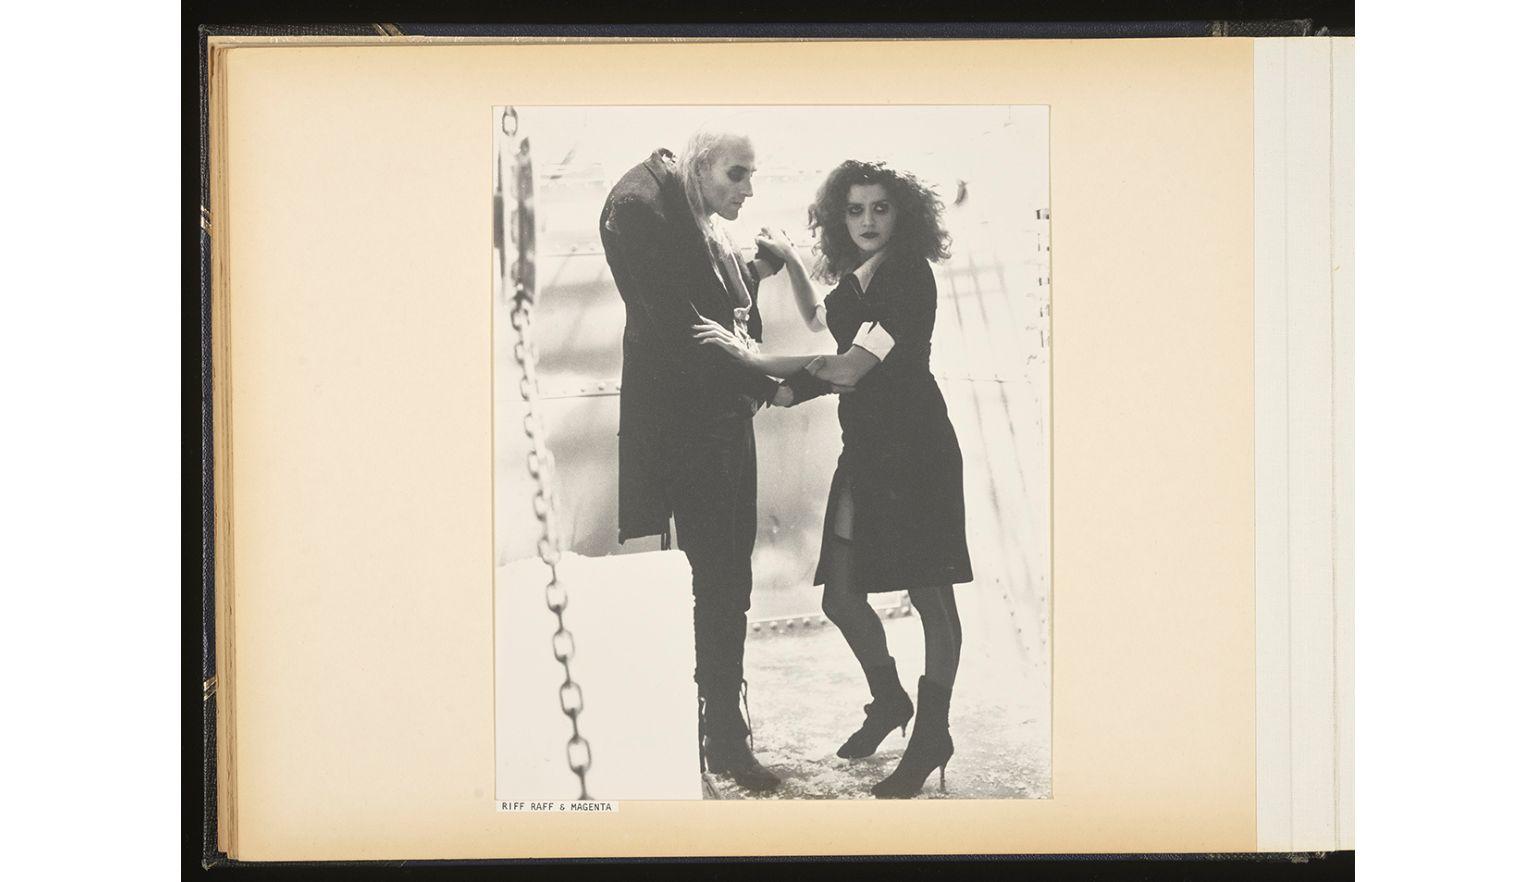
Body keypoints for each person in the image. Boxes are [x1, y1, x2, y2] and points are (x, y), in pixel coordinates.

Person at [693, 160, 973, 799]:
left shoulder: (906, 276)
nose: (868, 221)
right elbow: (826, 322)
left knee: (932, 597)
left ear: (903, 214)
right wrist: (790, 261)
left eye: (880, 208)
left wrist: (754, 362)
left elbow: (848, 370)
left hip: (916, 451)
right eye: (855, 210)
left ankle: (932, 732)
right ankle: (890, 701)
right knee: (841, 598)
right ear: (840, 218)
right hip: (868, 450)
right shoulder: (863, 275)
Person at [598, 126, 795, 792]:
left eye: (751, 175)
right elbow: (681, 329)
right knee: (714, 576)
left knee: (726, 575)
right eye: (737, 174)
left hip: (718, 420)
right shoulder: (642, 207)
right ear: (699, 165)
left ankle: (719, 725)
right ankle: (721, 738)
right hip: (691, 428)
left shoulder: (690, 213)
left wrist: (758, 278)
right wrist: (768, 379)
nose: (747, 189)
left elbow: (730, 319)